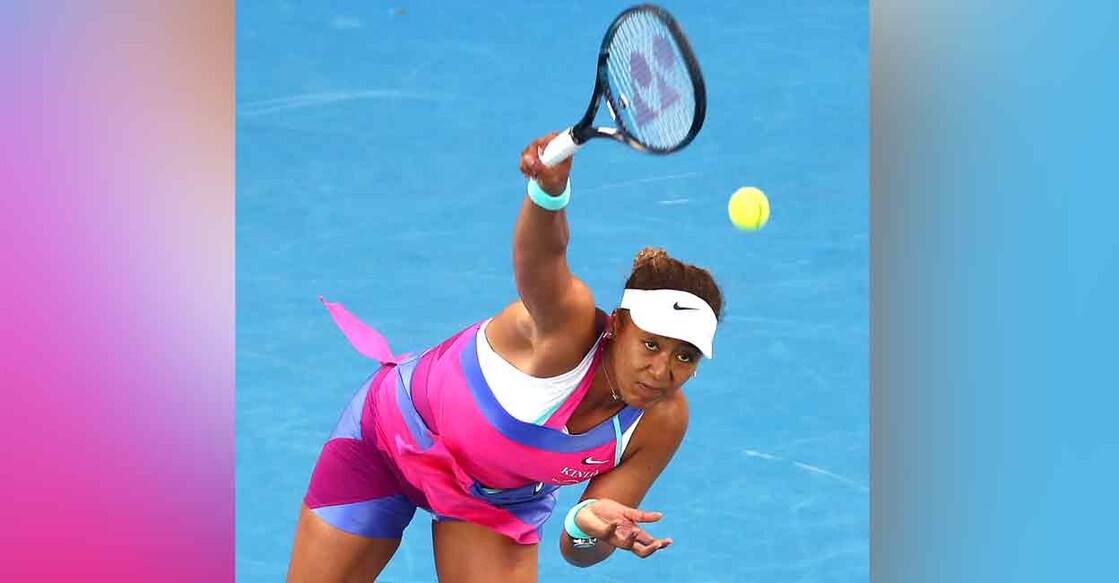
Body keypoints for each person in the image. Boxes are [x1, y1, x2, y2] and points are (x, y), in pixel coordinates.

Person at [287, 132, 725, 582]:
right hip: (386, 442)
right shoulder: (566, 325)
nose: (662, 371)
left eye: (685, 357)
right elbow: (540, 259)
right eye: (651, 344)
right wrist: (549, 194)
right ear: (617, 325)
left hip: (493, 500)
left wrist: (587, 525)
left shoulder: (662, 420)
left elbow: (579, 551)